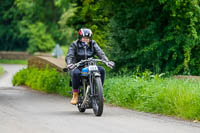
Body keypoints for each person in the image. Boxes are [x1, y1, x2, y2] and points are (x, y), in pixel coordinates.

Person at [65, 28, 114, 105]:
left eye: (87, 38)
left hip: (90, 66)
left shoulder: (93, 44)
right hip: (78, 66)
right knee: (76, 73)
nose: (85, 40)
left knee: (102, 70)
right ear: (80, 37)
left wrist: (107, 61)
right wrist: (69, 63)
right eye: (84, 38)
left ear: (90, 38)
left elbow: (100, 53)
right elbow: (69, 56)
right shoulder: (74, 44)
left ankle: (100, 92)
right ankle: (75, 95)